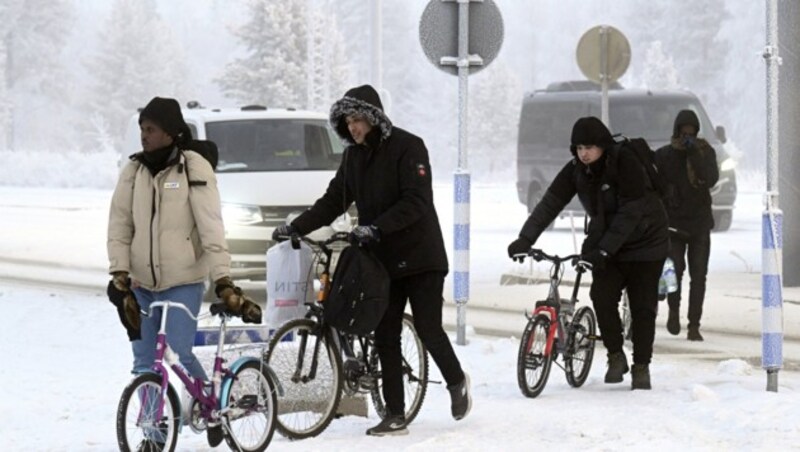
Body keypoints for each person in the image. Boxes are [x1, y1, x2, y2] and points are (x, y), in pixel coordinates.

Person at [273, 84, 471, 436]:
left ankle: (456, 381)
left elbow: (416, 201)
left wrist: (375, 228)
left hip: (421, 258)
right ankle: (396, 414)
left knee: (428, 328)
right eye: (347, 121)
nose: (352, 128)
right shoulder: (353, 157)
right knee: (386, 333)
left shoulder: (409, 147)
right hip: (381, 261)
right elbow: (334, 200)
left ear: (374, 117)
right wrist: (296, 227)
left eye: (357, 120)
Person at [107, 96, 258, 450]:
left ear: (171, 133)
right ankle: (154, 435)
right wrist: (120, 273)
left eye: (151, 129)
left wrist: (222, 280)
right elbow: (119, 225)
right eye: (142, 129)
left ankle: (212, 402)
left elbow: (210, 227)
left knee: (179, 347)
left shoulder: (194, 168)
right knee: (145, 361)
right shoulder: (132, 171)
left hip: (184, 281)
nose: (144, 136)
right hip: (142, 284)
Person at [507, 116, 669, 390]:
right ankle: (615, 356)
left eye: (590, 147)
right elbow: (550, 202)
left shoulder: (625, 162)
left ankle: (641, 366)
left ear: (603, 146)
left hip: (645, 243)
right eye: (579, 147)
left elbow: (631, 212)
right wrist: (525, 238)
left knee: (642, 308)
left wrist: (603, 250)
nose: (584, 153)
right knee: (602, 297)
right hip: (607, 243)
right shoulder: (577, 171)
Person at [655, 110, 719, 341]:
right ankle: (674, 311)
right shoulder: (664, 155)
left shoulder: (705, 152)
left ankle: (694, 325)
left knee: (699, 275)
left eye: (692, 133)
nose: (688, 138)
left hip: (699, 223)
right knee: (674, 271)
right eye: (684, 133)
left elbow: (710, 180)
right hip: (674, 224)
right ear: (677, 132)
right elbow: (655, 184)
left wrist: (695, 155)